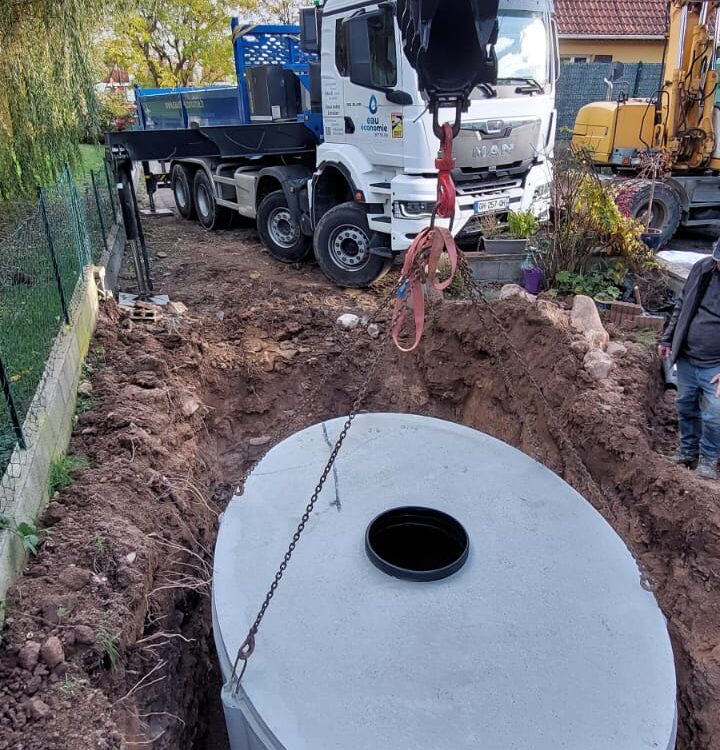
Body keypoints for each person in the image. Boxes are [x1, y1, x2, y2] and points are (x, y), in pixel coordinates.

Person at [659, 242, 720, 480]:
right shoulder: (703, 269)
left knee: (715, 414)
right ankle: (688, 452)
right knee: (685, 406)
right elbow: (682, 304)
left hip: (715, 365)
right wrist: (667, 339)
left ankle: (708, 458)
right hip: (687, 357)